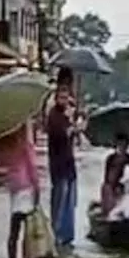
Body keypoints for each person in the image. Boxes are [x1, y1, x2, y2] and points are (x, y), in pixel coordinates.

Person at [0, 123, 41, 258]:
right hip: (26, 188)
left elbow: (0, 164)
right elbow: (32, 168)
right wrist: (38, 189)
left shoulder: (8, 146)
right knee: (27, 233)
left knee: (14, 231)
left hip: (14, 188)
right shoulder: (26, 146)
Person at [46, 85, 78, 248]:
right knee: (59, 200)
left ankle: (67, 237)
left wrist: (75, 125)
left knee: (70, 203)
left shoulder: (67, 115)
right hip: (58, 166)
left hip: (69, 165)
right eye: (61, 98)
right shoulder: (54, 116)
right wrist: (71, 125)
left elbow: (72, 137)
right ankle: (55, 236)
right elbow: (61, 135)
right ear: (56, 98)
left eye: (66, 98)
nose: (64, 101)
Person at [100, 132, 129, 217]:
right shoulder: (111, 158)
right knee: (107, 189)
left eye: (125, 145)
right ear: (117, 145)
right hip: (113, 186)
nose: (123, 147)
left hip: (126, 185)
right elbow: (107, 177)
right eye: (120, 145)